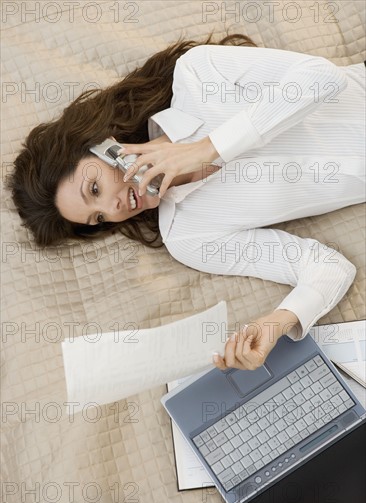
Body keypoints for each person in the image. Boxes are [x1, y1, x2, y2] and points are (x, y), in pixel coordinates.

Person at [5, 33, 365, 373]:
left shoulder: (198, 73)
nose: (114, 209)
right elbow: (329, 267)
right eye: (98, 217)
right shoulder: (188, 237)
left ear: (103, 143)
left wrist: (207, 149)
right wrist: (278, 321)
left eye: (95, 188)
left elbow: (323, 78)